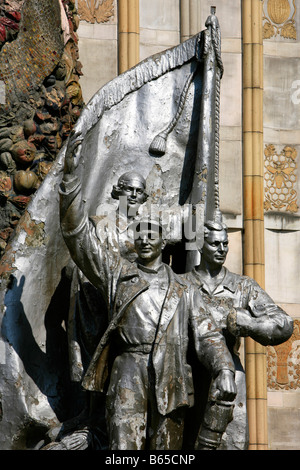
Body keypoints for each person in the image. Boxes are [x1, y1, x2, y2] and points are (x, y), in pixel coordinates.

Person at [58, 132, 237, 450]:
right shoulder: (115, 272)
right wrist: (71, 178)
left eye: (151, 233)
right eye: (138, 235)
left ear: (163, 240)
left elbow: (209, 335)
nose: (143, 239)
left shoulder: (183, 288)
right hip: (126, 370)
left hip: (170, 374)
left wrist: (224, 368)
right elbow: (76, 236)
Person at [184, 216, 294, 450]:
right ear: (200, 245)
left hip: (229, 379)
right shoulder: (182, 284)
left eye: (225, 244)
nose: (222, 249)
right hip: (187, 374)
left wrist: (252, 325)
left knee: (229, 443)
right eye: (215, 244)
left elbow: (284, 323)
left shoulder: (243, 286)